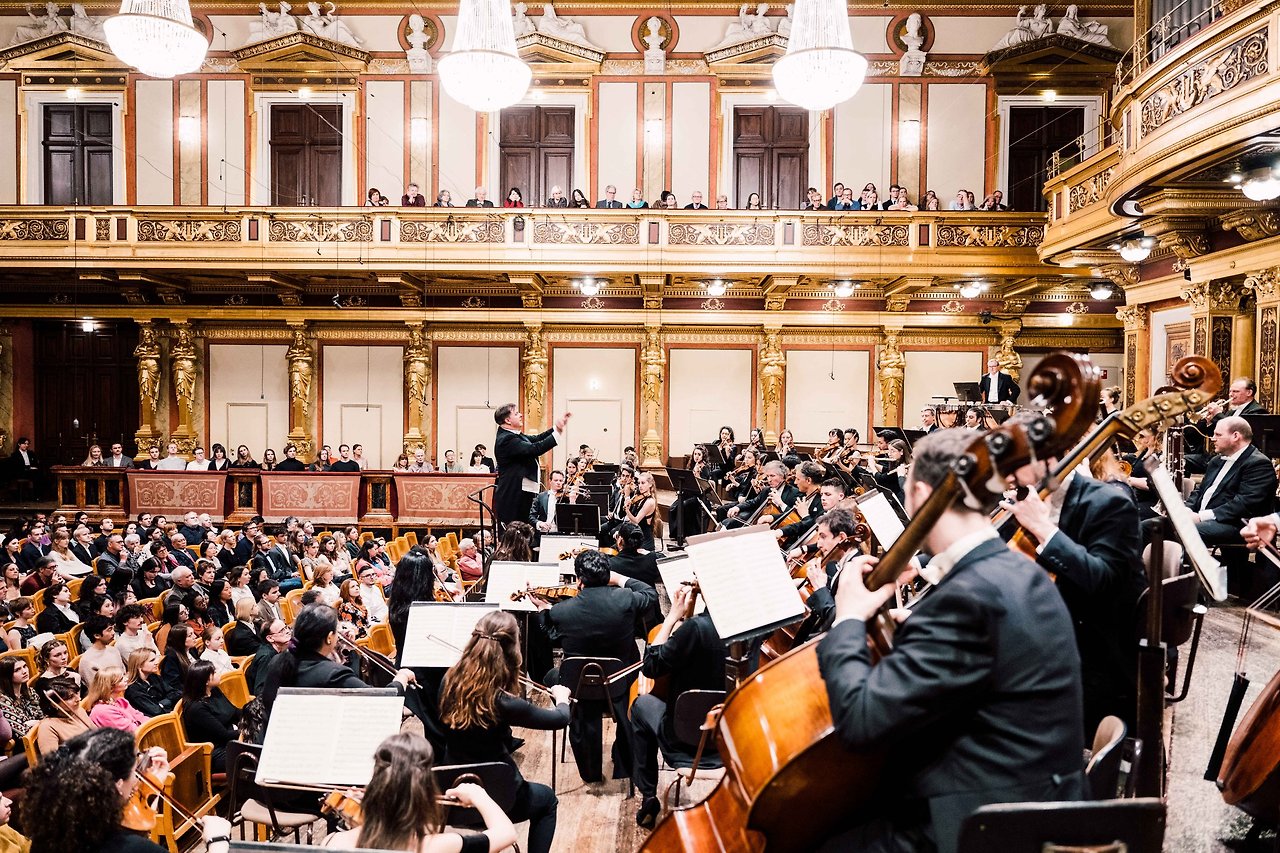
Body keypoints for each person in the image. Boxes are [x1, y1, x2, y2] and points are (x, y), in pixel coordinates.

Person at [816, 429, 1086, 853]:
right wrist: (910, 623)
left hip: (984, 824)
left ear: (922, 493)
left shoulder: (967, 598)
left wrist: (848, 618)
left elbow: (860, 722)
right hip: (1038, 796)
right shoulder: (1019, 569)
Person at [1001, 414, 1146, 735]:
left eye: (1015, 464)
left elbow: (1103, 580)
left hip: (1091, 653)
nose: (1007, 475)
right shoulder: (1031, 497)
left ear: (1048, 457)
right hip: (1047, 631)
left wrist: (1042, 528)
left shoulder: (1110, 502)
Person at [439, 611, 569, 853]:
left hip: (453, 795)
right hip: (500, 795)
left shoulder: (448, 682)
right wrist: (562, 697)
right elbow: (560, 719)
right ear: (512, 648)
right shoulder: (504, 702)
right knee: (548, 800)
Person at [531, 550, 656, 782]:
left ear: (579, 579)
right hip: (619, 684)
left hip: (579, 689)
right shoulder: (626, 599)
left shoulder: (561, 611)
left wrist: (542, 610)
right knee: (632, 663)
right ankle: (623, 759)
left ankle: (579, 735)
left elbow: (551, 636)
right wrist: (619, 579)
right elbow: (650, 593)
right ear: (607, 574)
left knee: (552, 677)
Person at [23, 726, 232, 853]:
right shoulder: (132, 848)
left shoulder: (46, 839)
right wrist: (217, 841)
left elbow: (139, 817)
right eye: (135, 773)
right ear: (117, 784)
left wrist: (155, 783)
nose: (138, 779)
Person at [630, 581, 728, 827]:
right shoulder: (754, 628)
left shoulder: (695, 629)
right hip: (730, 741)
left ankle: (649, 797)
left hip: (684, 742)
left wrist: (673, 617)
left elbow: (651, 667)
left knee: (641, 706)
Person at [321, 731, 517, 852]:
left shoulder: (332, 842)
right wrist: (479, 796)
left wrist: (372, 814)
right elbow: (506, 833)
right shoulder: (440, 846)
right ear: (425, 788)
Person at [260, 604, 417, 718]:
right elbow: (383, 701)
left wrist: (336, 651)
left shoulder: (278, 661)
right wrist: (401, 678)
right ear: (329, 638)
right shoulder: (333, 674)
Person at [1186, 415, 1278, 551]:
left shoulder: (1258, 463)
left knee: (1186, 531)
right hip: (1207, 519)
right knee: (1151, 526)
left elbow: (1244, 504)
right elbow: (1200, 491)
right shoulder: (1216, 461)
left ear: (1235, 436)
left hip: (1236, 524)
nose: (1212, 438)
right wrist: (1187, 509)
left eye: (1218, 434)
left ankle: (1190, 569)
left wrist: (1201, 517)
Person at [492, 402, 571, 526]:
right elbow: (535, 448)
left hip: (522, 490)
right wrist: (557, 434)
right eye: (516, 413)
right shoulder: (506, 439)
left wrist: (557, 428)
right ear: (507, 420)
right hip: (513, 494)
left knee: (525, 528)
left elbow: (536, 439)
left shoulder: (513, 435)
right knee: (516, 531)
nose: (521, 415)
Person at [181, 660, 240, 769]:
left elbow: (234, 711)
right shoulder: (196, 708)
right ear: (206, 681)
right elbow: (223, 735)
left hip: (229, 739)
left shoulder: (214, 690)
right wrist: (246, 732)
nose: (219, 674)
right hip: (215, 752)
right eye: (215, 672)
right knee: (255, 751)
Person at [33, 673, 92, 756]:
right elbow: (52, 762)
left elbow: (95, 732)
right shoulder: (47, 727)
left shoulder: (78, 710)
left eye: (76, 694)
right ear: (54, 704)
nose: (78, 699)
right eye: (70, 697)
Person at [83, 667, 148, 732]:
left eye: (124, 675)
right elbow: (130, 731)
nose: (126, 679)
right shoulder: (102, 711)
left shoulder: (121, 701)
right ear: (110, 686)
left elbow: (139, 716)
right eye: (121, 679)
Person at [124, 648, 175, 718]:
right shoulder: (134, 690)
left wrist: (163, 703)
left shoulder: (154, 677)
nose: (157, 662)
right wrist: (168, 702)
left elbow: (175, 693)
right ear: (139, 665)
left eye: (155, 659)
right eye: (152, 660)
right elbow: (157, 711)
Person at [0, 657, 43, 735]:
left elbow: (43, 717)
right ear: (7, 675)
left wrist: (32, 723)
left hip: (41, 733)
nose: (24, 671)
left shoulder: (30, 691)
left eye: (25, 666)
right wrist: (37, 723)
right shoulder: (3, 700)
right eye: (17, 670)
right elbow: (21, 732)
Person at [78, 614, 125, 684]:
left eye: (113, 629)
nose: (113, 633)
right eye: (109, 630)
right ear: (97, 635)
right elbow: (97, 688)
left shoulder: (114, 650)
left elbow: (123, 674)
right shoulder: (87, 661)